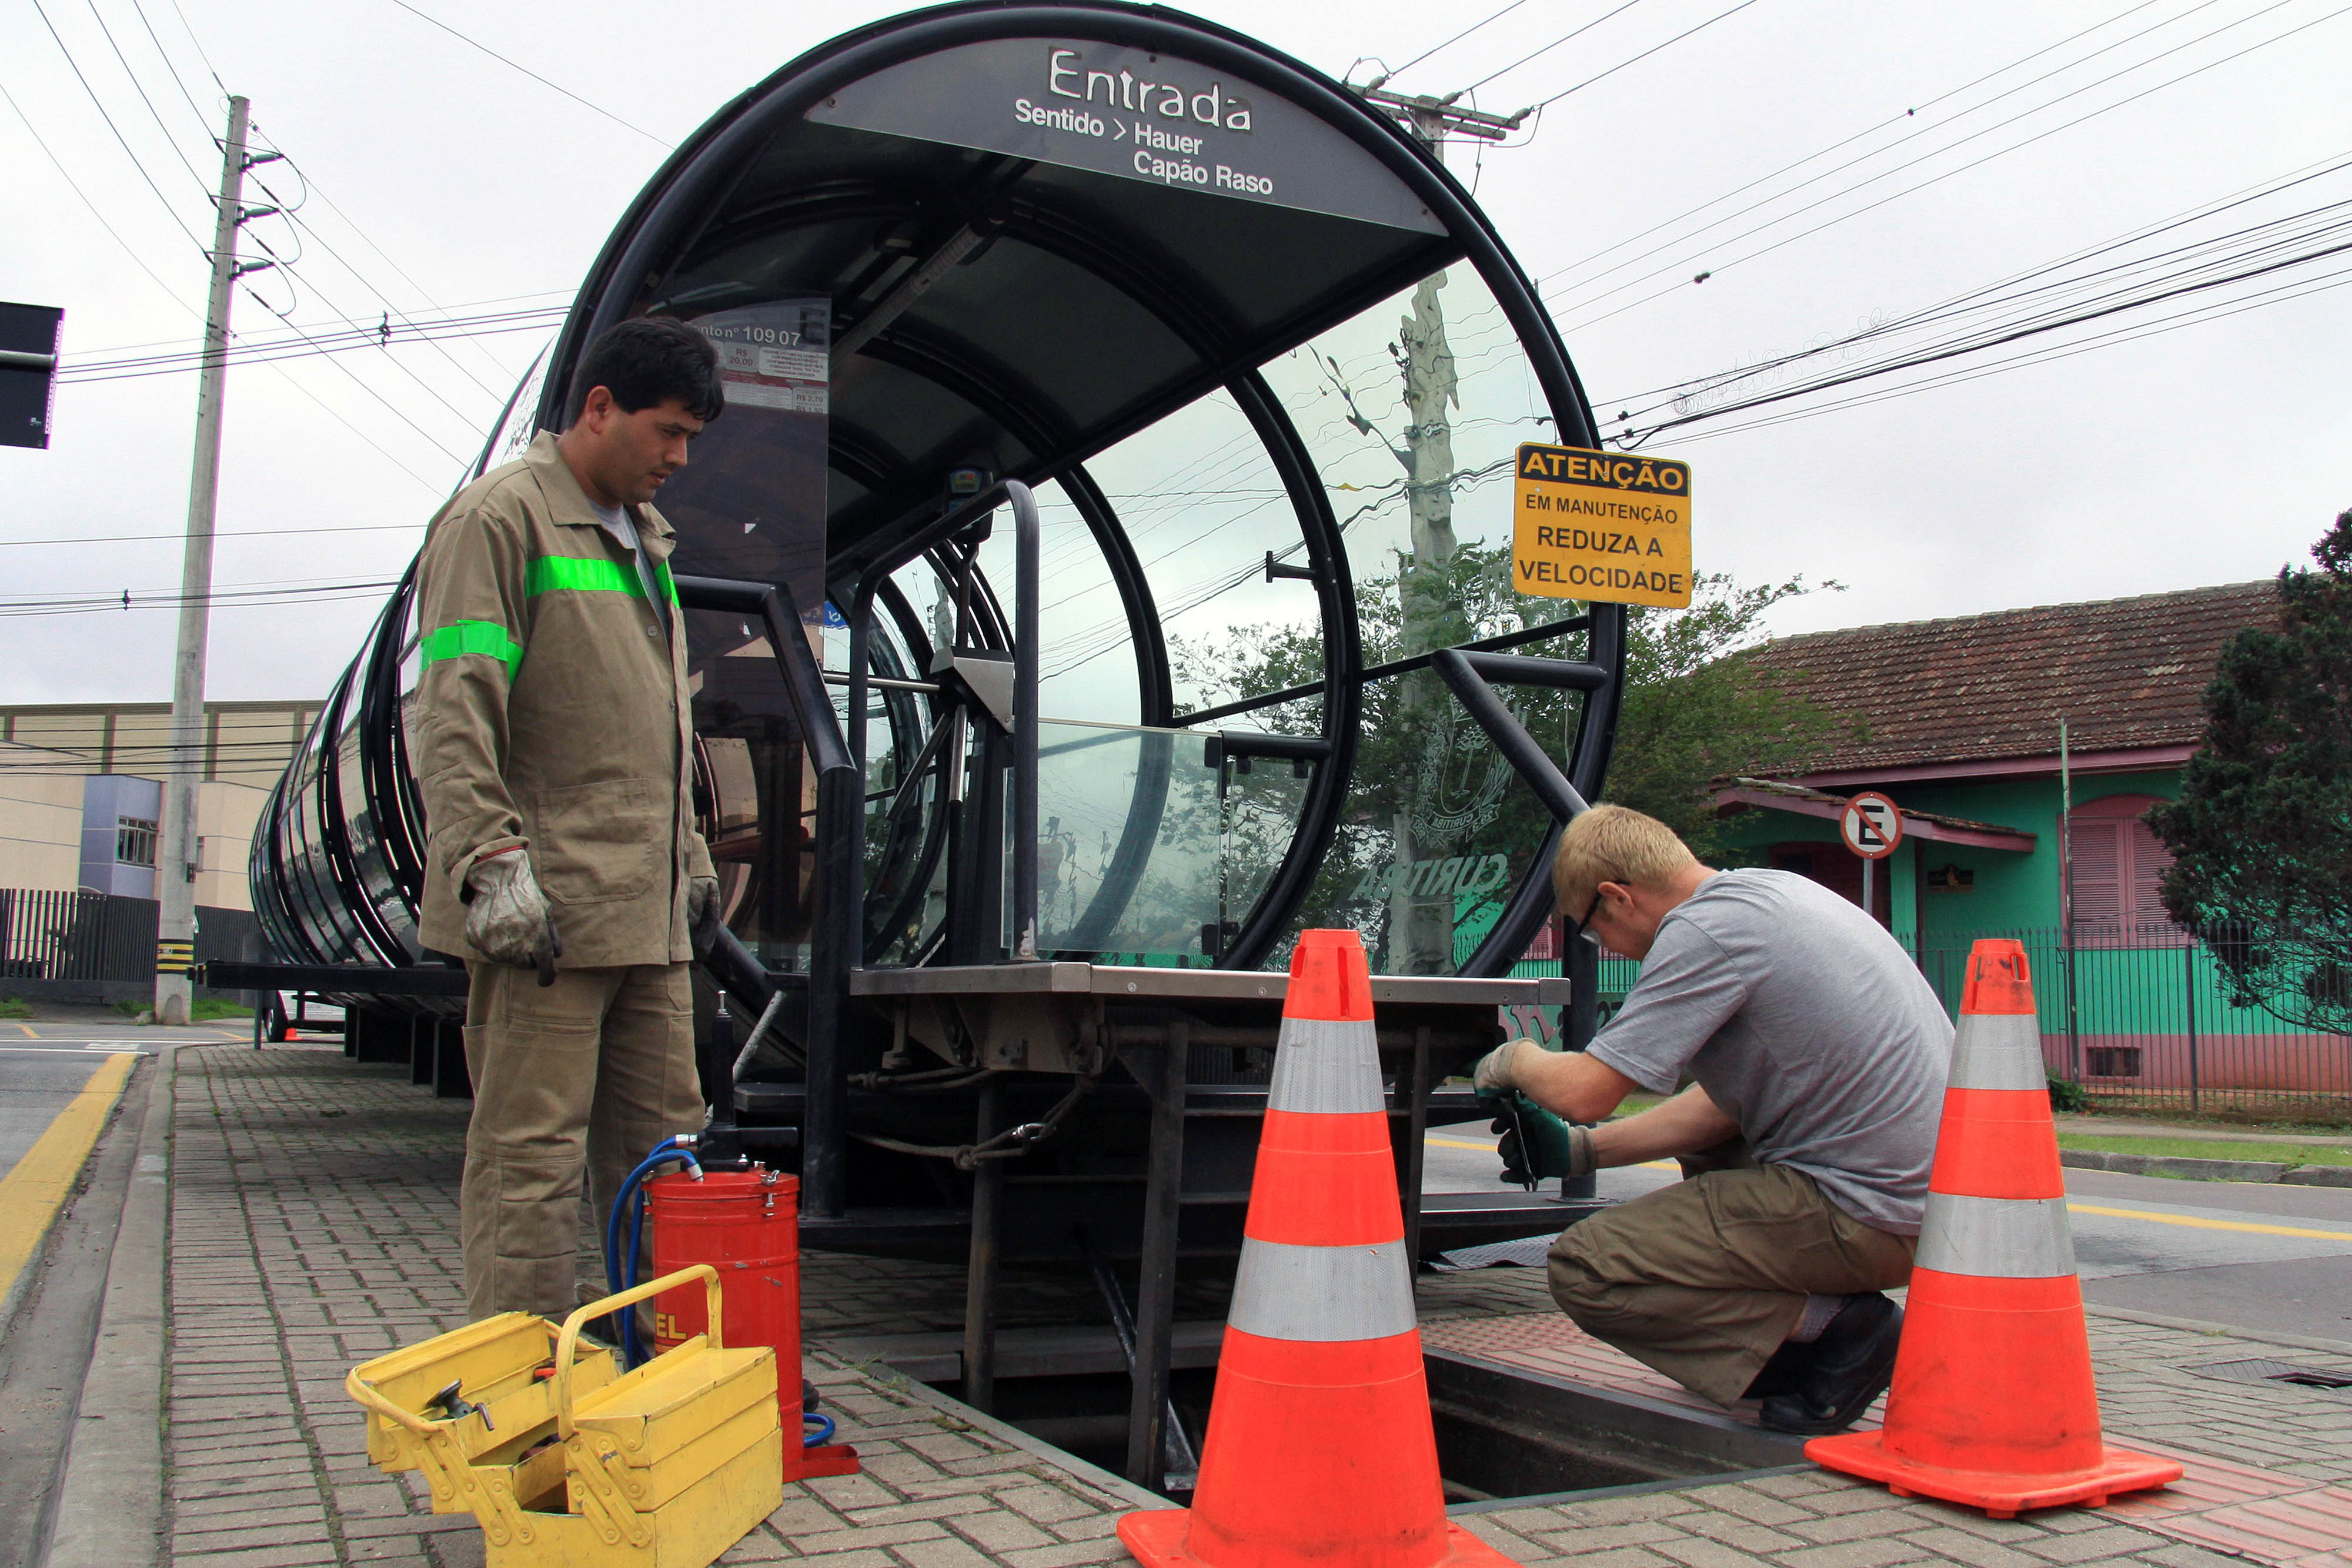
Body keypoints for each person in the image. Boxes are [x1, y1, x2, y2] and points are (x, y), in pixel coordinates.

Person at [413, 316, 730, 1321]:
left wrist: (688, 856)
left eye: (689, 439)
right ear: (600, 408)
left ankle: (657, 1385)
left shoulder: (647, 542)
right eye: (667, 432)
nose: (678, 457)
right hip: (543, 910)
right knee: (529, 1159)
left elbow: (651, 725)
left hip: (644, 913)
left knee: (665, 1152)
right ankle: (520, 1394)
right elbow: (456, 703)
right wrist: (488, 858)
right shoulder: (499, 519)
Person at [1471, 805, 1953, 1434]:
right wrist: (1581, 1152)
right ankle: (1815, 1345)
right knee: (1713, 1156)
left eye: (1591, 931)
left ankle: (1840, 1331)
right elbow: (1727, 1106)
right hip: (1936, 1203)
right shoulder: (1772, 895)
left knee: (1588, 1266)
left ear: (1616, 897)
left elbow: (1589, 1091)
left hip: (1871, 1212)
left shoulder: (1704, 934)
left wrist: (1514, 1057)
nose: (1606, 948)